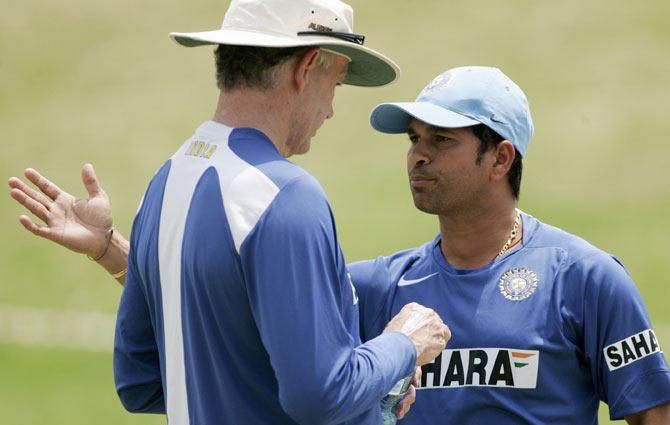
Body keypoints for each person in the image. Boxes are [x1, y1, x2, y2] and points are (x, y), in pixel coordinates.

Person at [7, 0, 452, 424]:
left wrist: (110, 251)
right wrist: (403, 343)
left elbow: (141, 380)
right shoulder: (288, 196)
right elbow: (320, 396)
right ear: (305, 67)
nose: (331, 110)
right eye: (334, 84)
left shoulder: (165, 181)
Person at [348, 66, 670, 424]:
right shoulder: (376, 287)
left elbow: (654, 415)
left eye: (441, 139)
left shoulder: (585, 278)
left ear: (501, 158)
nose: (417, 156)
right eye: (414, 138)